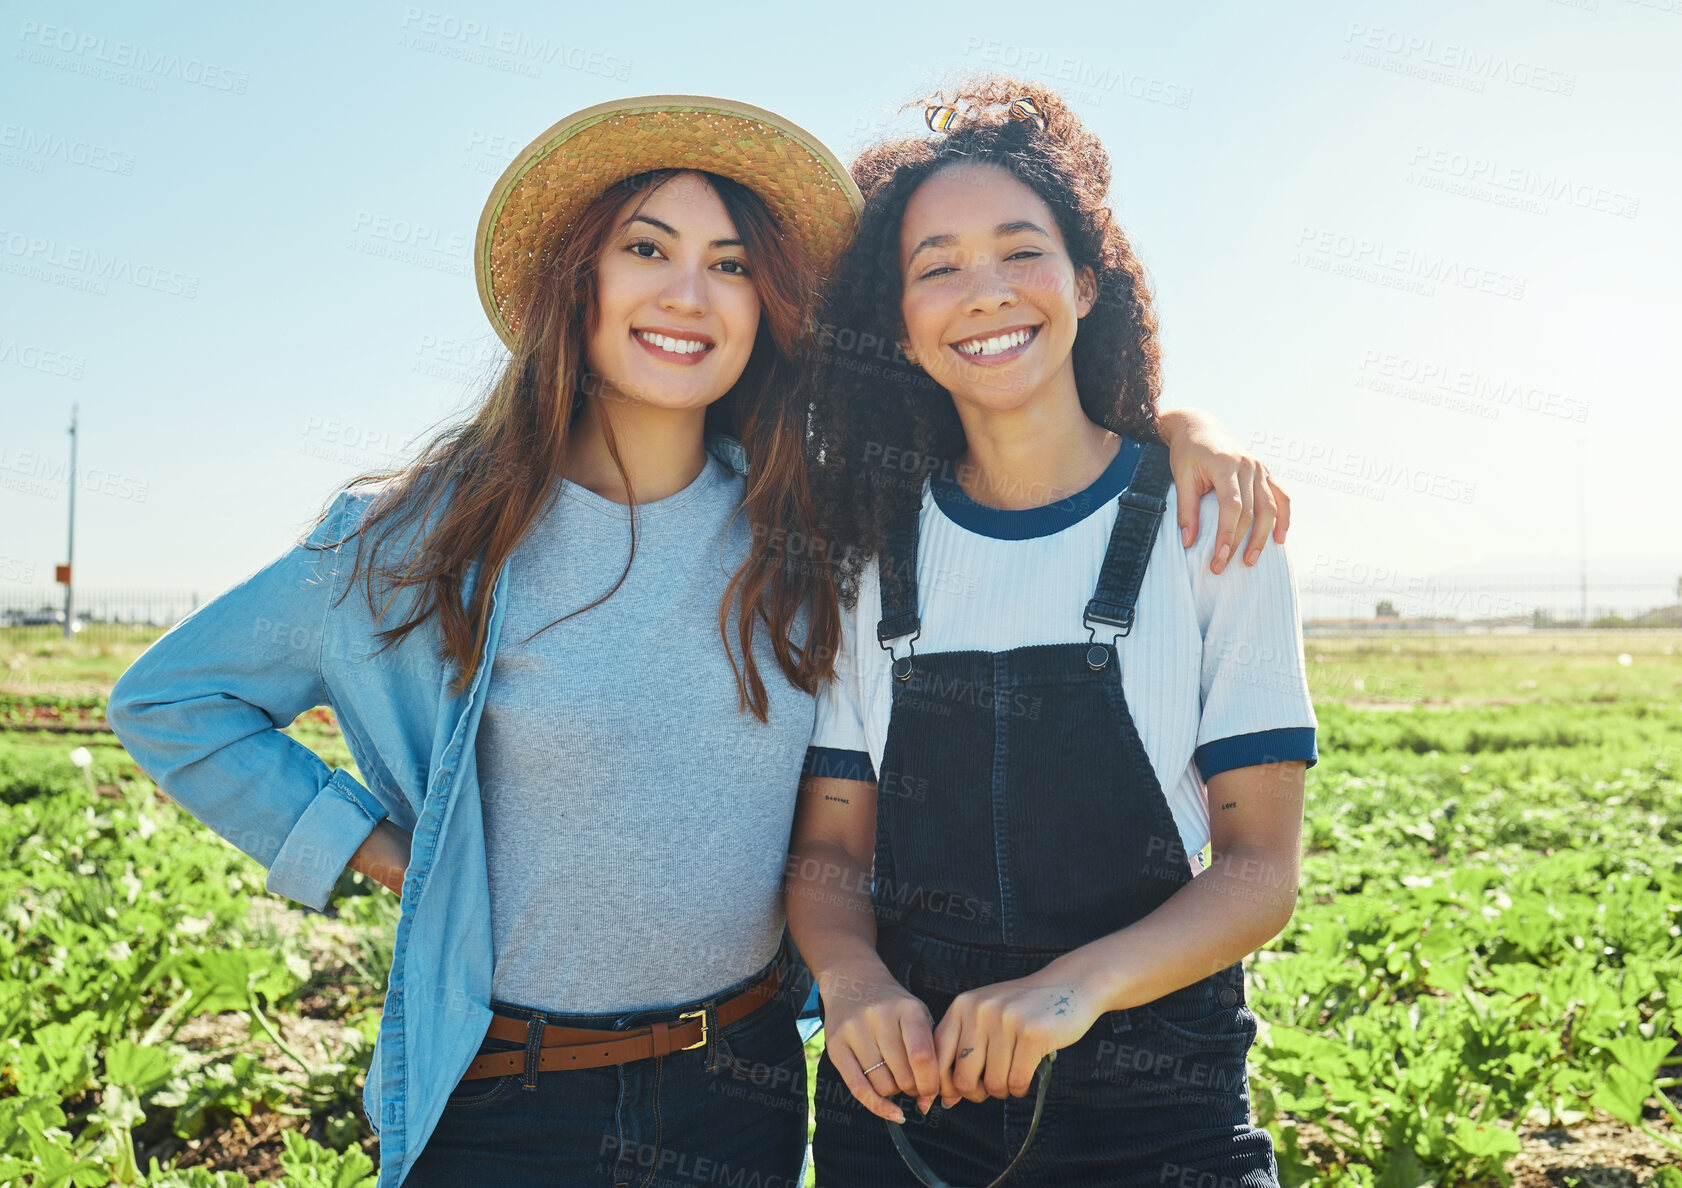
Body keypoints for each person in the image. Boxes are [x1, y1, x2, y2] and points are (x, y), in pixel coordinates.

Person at [107, 94, 1289, 1188]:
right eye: (646, 248)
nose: (688, 293)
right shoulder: (415, 540)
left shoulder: (809, 530)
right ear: (577, 283)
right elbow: (173, 704)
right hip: (505, 1101)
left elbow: (1027, 472)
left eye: (728, 264)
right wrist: (395, 861)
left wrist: (1185, 428)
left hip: (747, 1093)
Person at [789, 78, 1317, 1188]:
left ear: (1085, 280)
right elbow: (832, 855)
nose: (982, 292)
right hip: (902, 1111)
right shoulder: (865, 550)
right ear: (897, 323)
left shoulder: (1207, 526)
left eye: (1018, 251)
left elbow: (1259, 867)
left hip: (1156, 1114)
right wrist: (852, 981)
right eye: (934, 267)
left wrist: (1072, 990)